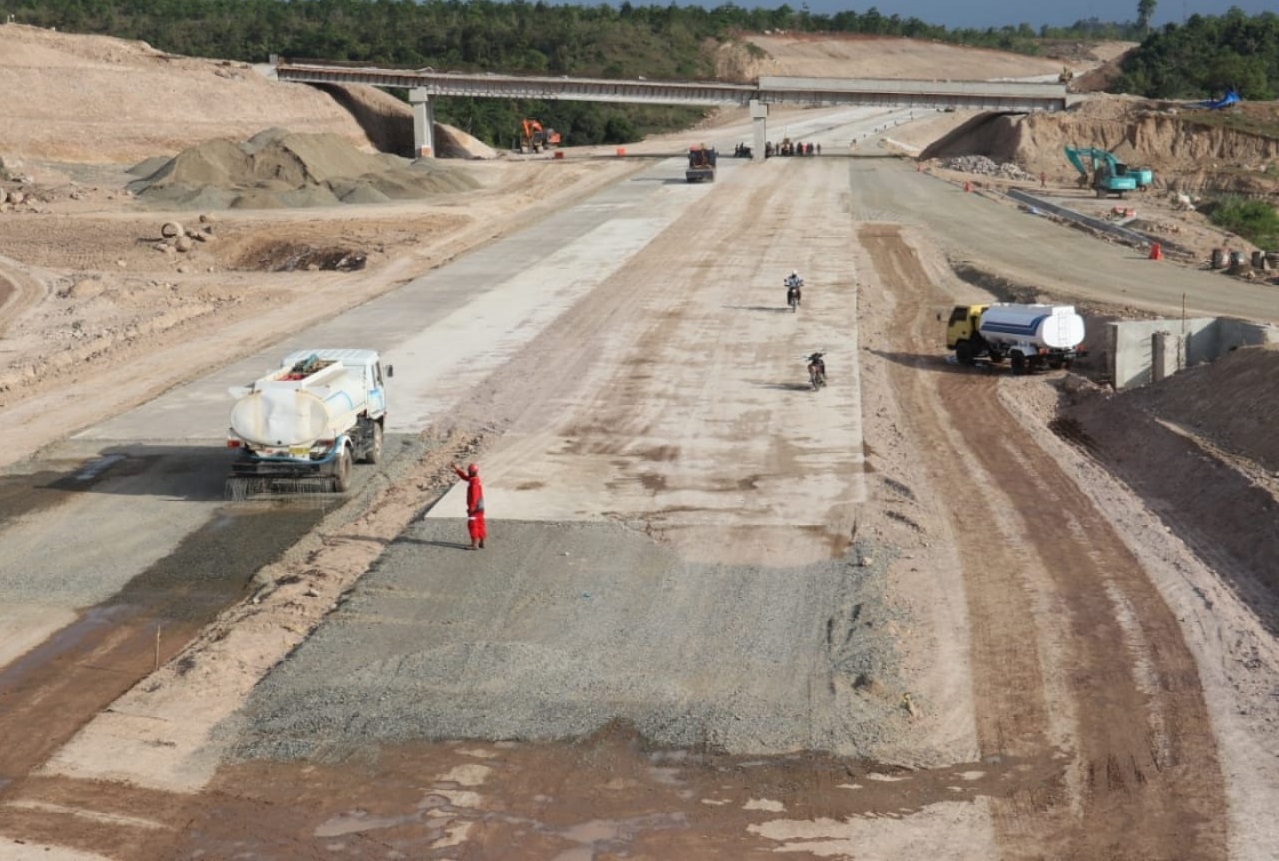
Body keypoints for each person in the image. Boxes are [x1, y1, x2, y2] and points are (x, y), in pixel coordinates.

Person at [452, 463, 486, 550]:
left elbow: (474, 496)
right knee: (480, 523)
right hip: (480, 506)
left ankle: (474, 544)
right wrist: (457, 470)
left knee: (472, 524)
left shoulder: (473, 483)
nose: (468, 473)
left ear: (471, 471)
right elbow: (465, 477)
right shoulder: (476, 479)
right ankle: (482, 542)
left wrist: (471, 508)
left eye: (469, 471)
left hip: (474, 507)